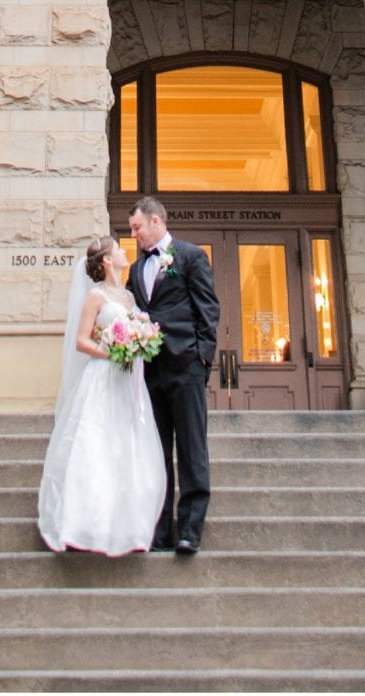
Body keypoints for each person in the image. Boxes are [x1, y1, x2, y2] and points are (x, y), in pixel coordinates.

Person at [37, 235, 166, 555]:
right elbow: (82, 341)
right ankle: (82, 523)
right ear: (107, 260)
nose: (125, 252)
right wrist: (114, 352)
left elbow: (140, 327)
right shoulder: (95, 297)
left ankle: (127, 526)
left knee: (127, 447)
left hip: (128, 381)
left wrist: (141, 339)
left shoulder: (128, 296)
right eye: (119, 250)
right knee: (95, 445)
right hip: (103, 376)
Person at [127, 196, 220, 554]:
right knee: (158, 452)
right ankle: (161, 530)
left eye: (137, 227)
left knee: (192, 448)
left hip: (186, 366)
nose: (133, 234)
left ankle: (190, 531)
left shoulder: (191, 256)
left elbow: (207, 308)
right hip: (151, 371)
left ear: (156, 222)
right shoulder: (136, 269)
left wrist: (202, 357)